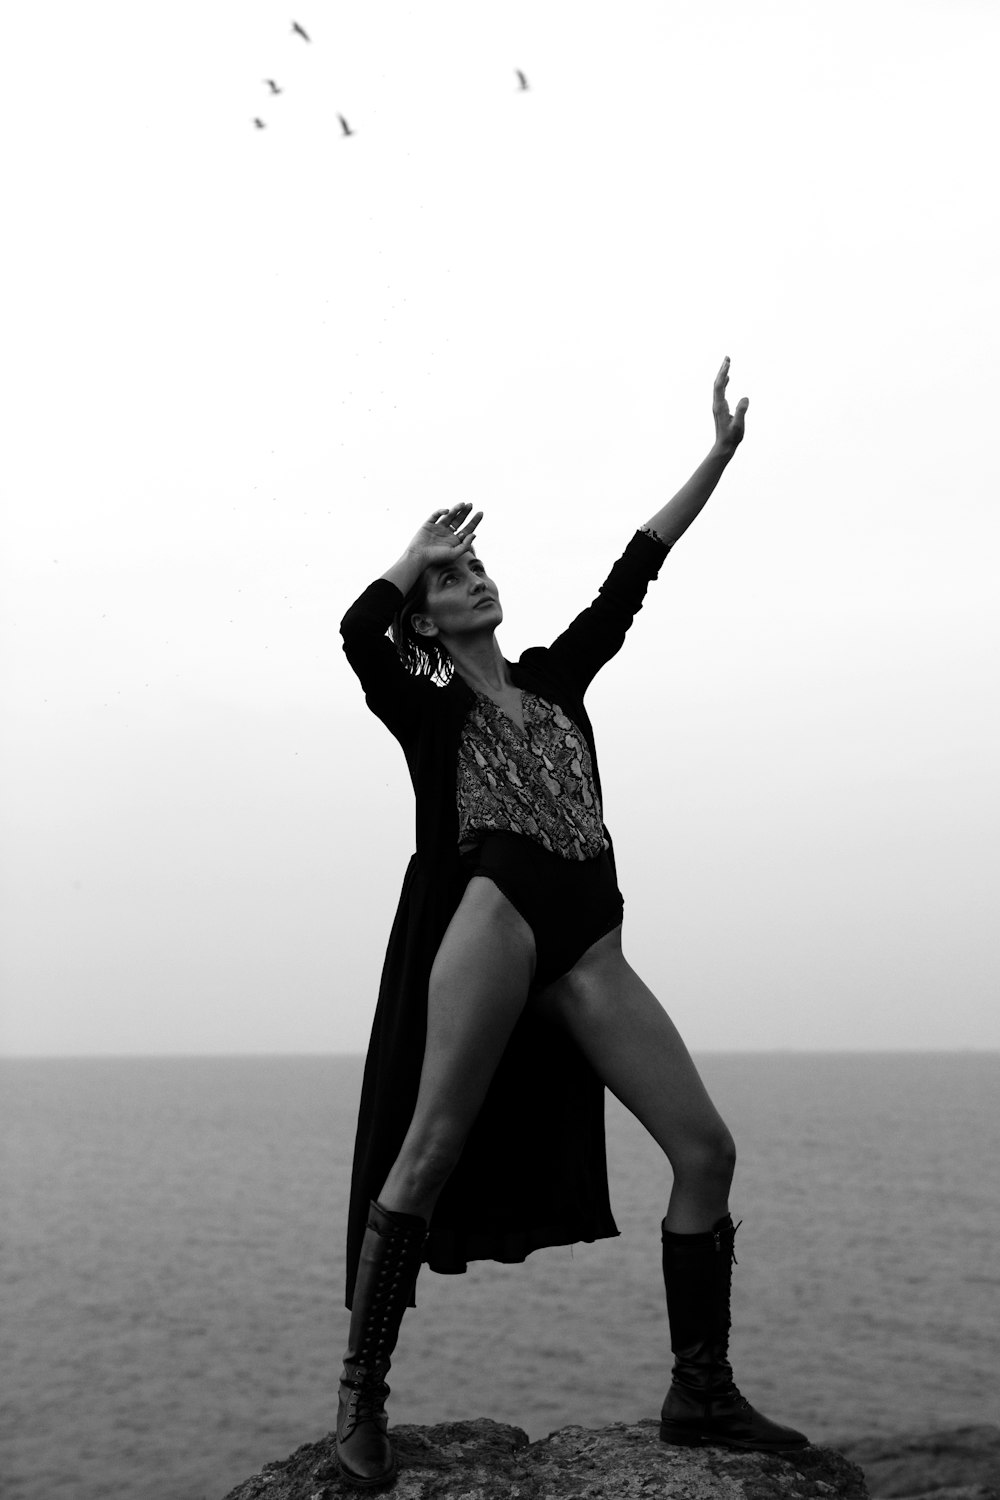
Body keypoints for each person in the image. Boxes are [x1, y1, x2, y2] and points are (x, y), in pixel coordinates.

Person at [336, 358, 808, 1489]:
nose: (474, 581)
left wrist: (718, 456)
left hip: (588, 939)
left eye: (478, 567)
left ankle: (700, 1392)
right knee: (429, 1148)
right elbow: (357, 633)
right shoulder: (426, 707)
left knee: (706, 1149)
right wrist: (413, 552)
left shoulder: (556, 680)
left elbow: (635, 570)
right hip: (495, 919)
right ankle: (361, 1394)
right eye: (450, 581)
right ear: (429, 618)